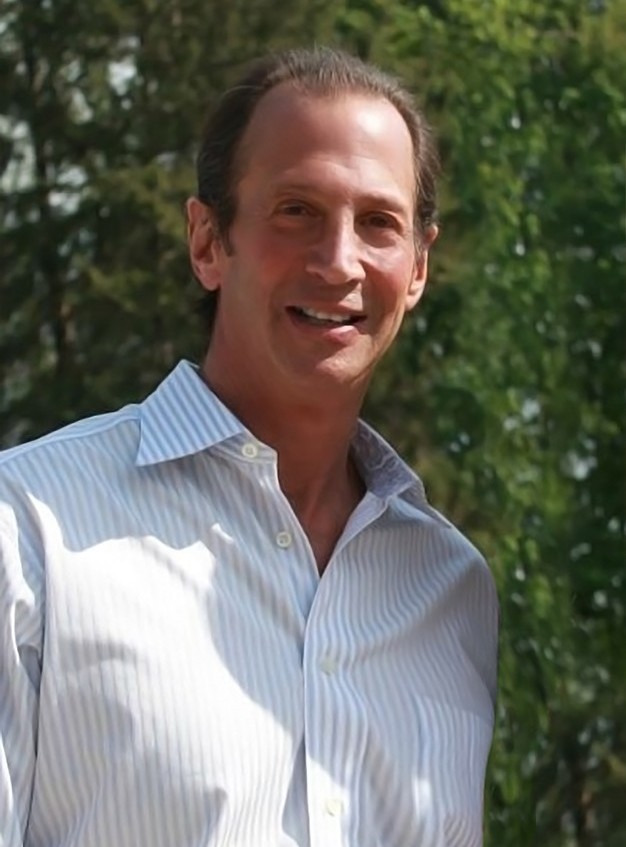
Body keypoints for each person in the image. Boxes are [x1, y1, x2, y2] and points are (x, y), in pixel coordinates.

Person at [0, 47, 498, 847]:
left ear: (417, 268)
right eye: (297, 210)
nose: (339, 260)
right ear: (207, 241)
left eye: (378, 222)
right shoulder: (29, 531)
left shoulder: (452, 591)